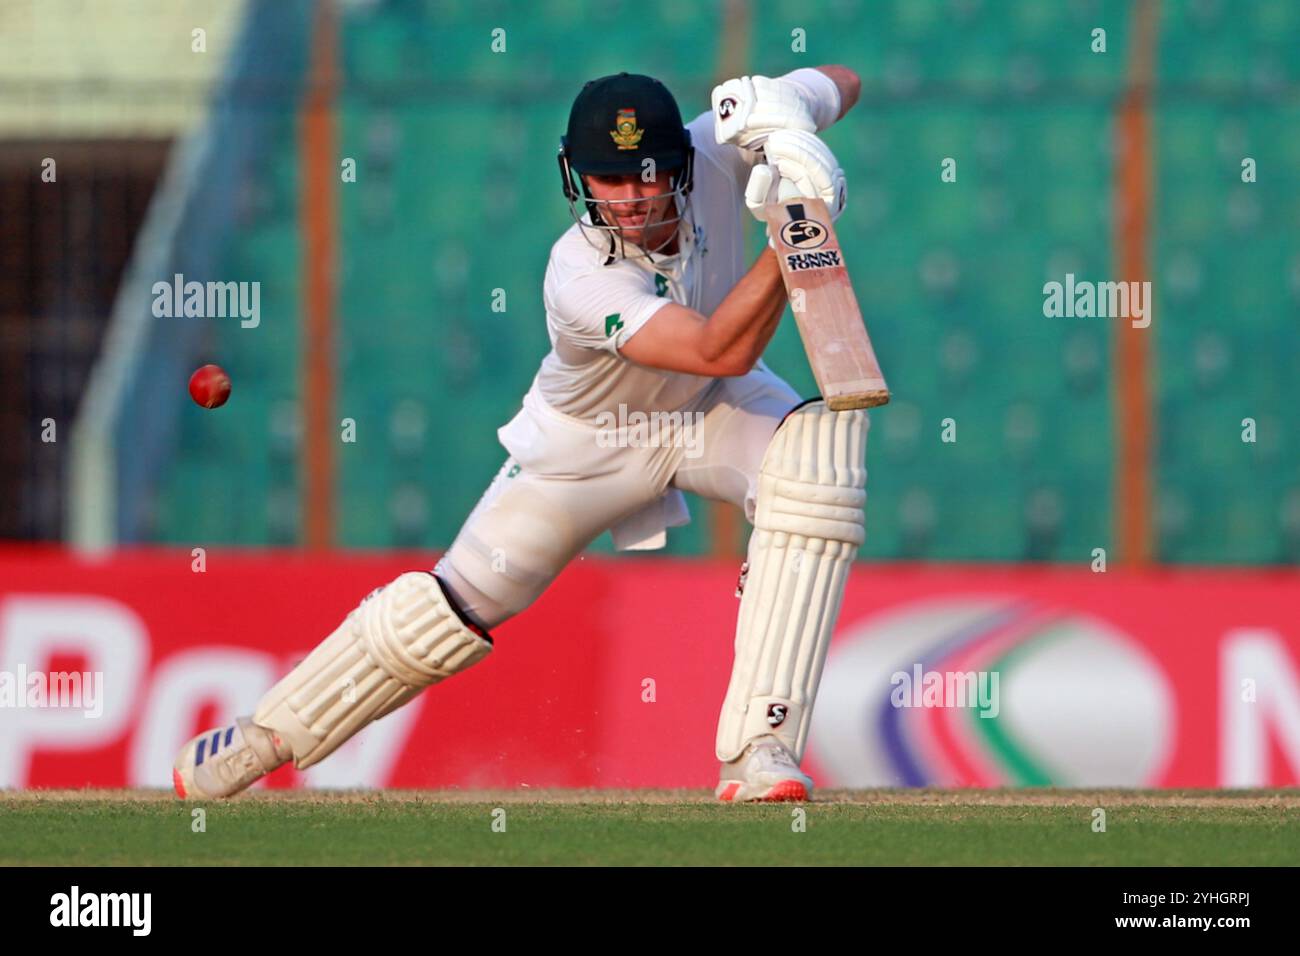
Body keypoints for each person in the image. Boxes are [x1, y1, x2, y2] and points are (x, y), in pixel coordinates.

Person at [174, 66, 867, 803]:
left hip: (710, 410)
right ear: (577, 176)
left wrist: (787, 113)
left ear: (682, 164)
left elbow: (846, 80)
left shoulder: (720, 148)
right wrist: (801, 223)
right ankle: (255, 742)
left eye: (647, 176)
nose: (629, 199)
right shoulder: (577, 275)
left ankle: (762, 749)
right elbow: (715, 349)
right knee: (441, 614)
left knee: (815, 467)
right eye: (607, 179)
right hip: (587, 445)